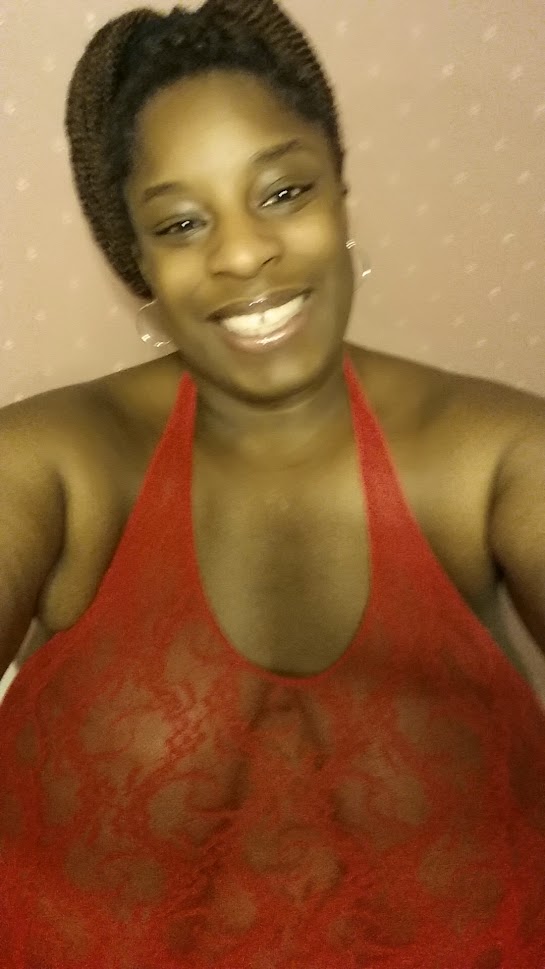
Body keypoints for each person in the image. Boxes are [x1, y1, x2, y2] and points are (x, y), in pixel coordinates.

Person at [0, 1, 544, 966]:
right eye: (180, 222)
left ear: (339, 186)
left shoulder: (500, 456)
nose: (243, 252)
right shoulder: (53, 464)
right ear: (138, 258)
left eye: (283, 192)